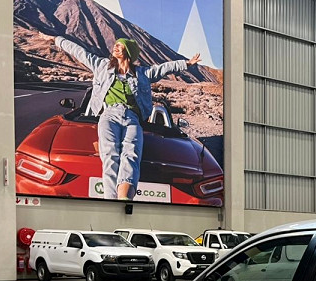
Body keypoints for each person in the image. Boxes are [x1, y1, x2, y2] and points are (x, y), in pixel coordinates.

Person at [47, 34, 201, 200]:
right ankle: (110, 200)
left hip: (132, 118)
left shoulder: (142, 73)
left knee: (131, 154)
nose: (115, 47)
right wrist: (56, 39)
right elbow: (79, 52)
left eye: (120, 46)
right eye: (116, 44)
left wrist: (186, 63)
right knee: (110, 154)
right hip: (109, 115)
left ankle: (124, 199)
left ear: (128, 52)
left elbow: (164, 68)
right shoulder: (102, 66)